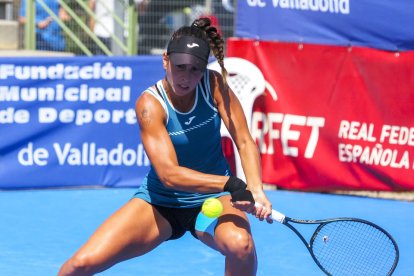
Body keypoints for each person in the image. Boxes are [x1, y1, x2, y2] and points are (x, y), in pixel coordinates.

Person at [58, 17, 273, 276]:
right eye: (180, 67)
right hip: (160, 203)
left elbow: (244, 139)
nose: (186, 77)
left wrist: (257, 189)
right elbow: (169, 175)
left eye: (195, 69)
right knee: (79, 266)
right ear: (165, 61)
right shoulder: (150, 104)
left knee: (242, 246)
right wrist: (232, 184)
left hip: (213, 200)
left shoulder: (214, 84)